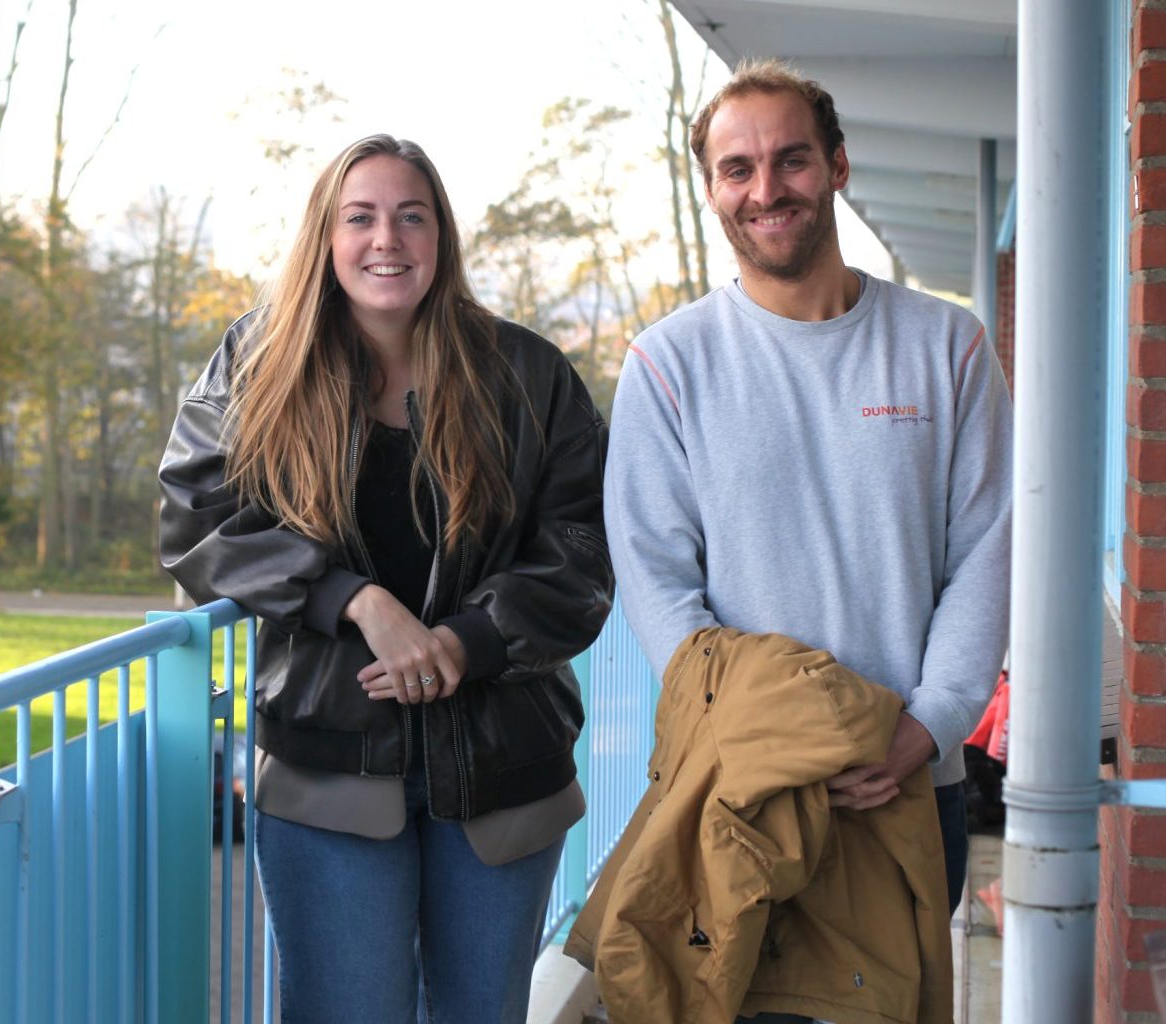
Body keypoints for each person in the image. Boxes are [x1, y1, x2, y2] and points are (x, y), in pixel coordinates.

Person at [159, 134, 612, 1023]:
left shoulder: (527, 375)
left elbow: (584, 545)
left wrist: (463, 641)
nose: (387, 240)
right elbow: (195, 513)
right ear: (325, 238)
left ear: (441, 236)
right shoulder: (260, 364)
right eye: (359, 217)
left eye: (412, 217)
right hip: (327, 764)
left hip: (503, 768)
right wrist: (354, 601)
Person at [606, 57, 1012, 948]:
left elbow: (987, 552)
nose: (765, 189)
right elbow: (659, 585)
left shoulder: (948, 347)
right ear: (712, 189)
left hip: (908, 786)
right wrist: (771, 738)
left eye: (791, 159)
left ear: (837, 165)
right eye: (736, 169)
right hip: (746, 793)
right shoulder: (670, 367)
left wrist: (926, 727)